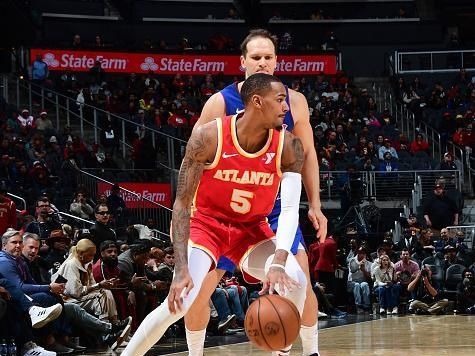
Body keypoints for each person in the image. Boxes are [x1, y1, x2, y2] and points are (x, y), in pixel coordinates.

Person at [122, 73, 307, 355]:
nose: (286, 107)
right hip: (207, 225)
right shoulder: (208, 137)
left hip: (251, 229)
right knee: (179, 303)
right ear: (257, 101)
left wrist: (280, 259)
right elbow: (182, 203)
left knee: (295, 280)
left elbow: (291, 208)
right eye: (280, 100)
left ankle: (280, 352)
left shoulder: (289, 146)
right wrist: (180, 268)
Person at [184, 29, 327, 356]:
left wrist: (315, 204)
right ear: (243, 61)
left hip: (272, 209)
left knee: (299, 280)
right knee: (199, 292)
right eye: (256, 57)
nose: (262, 62)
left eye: (268, 57)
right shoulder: (220, 103)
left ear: (276, 61)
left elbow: (309, 155)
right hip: (223, 212)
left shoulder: (295, 102)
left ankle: (306, 352)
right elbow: (192, 159)